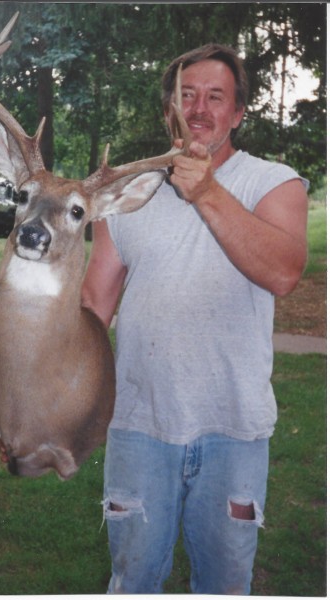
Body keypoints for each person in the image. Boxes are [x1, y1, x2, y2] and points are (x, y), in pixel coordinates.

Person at [81, 43, 308, 594]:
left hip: (234, 427)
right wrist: (41, 409)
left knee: (226, 584)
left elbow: (282, 271)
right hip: (138, 426)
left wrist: (205, 190)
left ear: (237, 113)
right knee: (133, 580)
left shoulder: (274, 182)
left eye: (215, 97)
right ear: (168, 112)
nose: (200, 109)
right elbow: (92, 309)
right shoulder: (126, 196)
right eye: (187, 97)